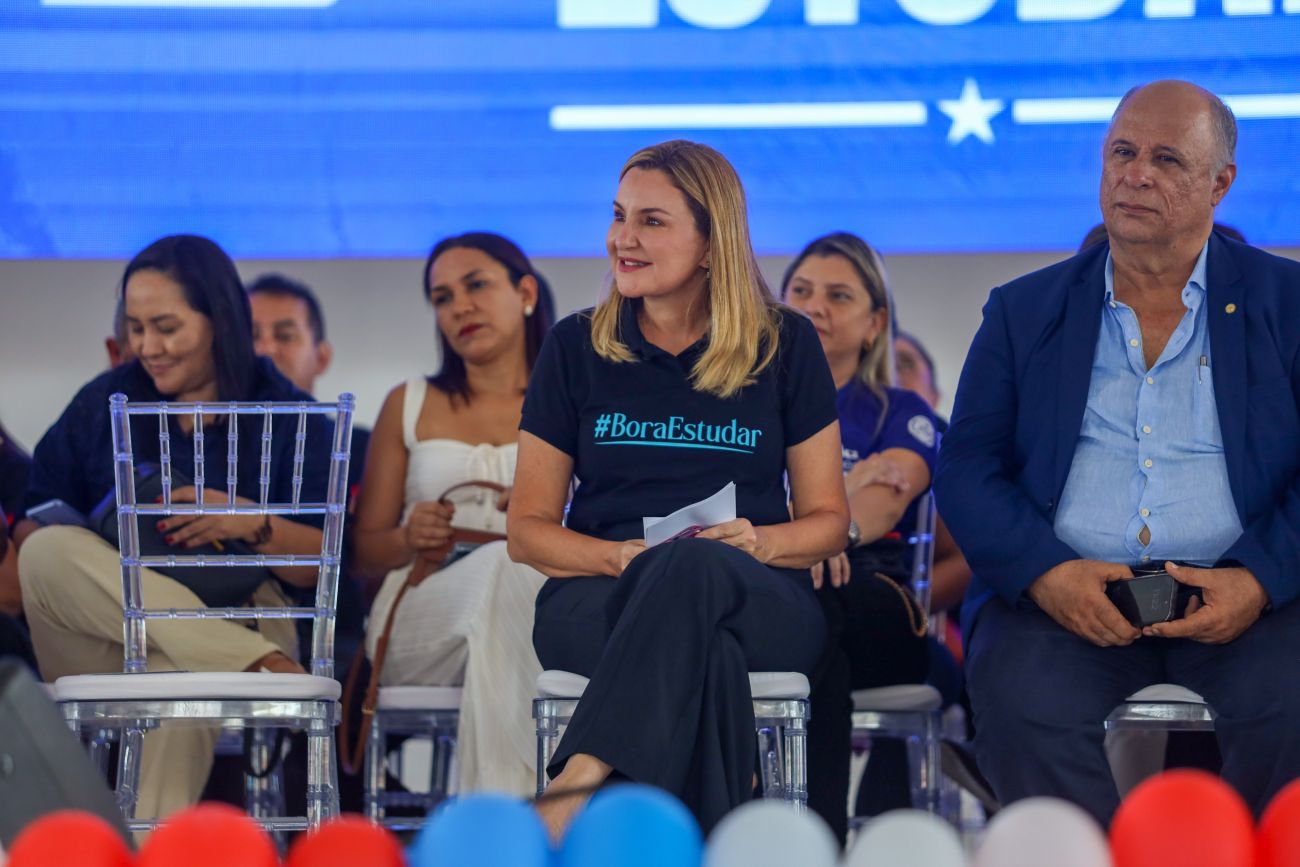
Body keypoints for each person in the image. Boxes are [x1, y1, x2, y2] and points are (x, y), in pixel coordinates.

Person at [936, 80, 1300, 825]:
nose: (1135, 175)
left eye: (1166, 159)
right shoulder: (1023, 309)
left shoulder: (1287, 303)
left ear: (1220, 184)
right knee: (1020, 698)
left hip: (1249, 599)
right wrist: (1046, 574)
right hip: (1067, 595)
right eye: (1122, 153)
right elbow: (968, 469)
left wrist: (1259, 581)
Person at [508, 139, 848, 838]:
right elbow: (527, 531)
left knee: (695, 564)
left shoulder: (785, 342)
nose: (622, 238)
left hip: (754, 590)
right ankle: (717, 838)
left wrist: (756, 542)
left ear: (711, 245)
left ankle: (579, 778)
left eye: (651, 221)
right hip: (602, 592)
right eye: (618, 215)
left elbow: (828, 523)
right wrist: (619, 557)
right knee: (706, 650)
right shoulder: (574, 346)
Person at [17, 234, 335, 820]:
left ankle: (140, 855)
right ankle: (249, 661)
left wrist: (249, 521)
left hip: (244, 609)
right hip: (106, 629)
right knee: (46, 553)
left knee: (177, 676)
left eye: (165, 327)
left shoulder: (288, 411)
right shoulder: (106, 398)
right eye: (136, 328)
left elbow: (320, 564)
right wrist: (106, 547)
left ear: (221, 321)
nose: (147, 347)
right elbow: (35, 519)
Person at [351, 232, 554, 796]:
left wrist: (550, 515)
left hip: (540, 609)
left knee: (509, 604)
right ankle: (536, 814)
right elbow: (363, 556)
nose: (460, 307)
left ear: (526, 293)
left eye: (476, 285)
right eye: (442, 298)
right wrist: (408, 537)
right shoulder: (408, 401)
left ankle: (495, 822)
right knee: (504, 570)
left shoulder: (572, 400)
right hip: (421, 613)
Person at [780, 232, 955, 840]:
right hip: (787, 588)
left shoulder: (900, 410)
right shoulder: (750, 404)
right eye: (801, 291)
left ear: (874, 323)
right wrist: (846, 486)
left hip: (882, 600)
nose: (814, 306)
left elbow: (887, 500)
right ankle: (813, 839)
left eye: (838, 295)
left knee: (820, 597)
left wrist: (824, 531)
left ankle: (804, 835)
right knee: (808, 616)